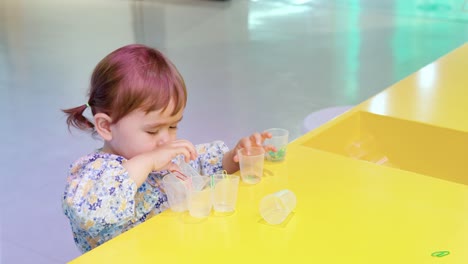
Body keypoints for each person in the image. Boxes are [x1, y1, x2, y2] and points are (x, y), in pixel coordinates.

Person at [62, 44, 275, 253]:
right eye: (153, 131)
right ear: (106, 126)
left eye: (173, 126)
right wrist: (147, 162)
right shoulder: (93, 174)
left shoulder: (165, 157)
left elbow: (205, 167)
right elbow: (92, 214)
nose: (166, 139)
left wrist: (235, 157)